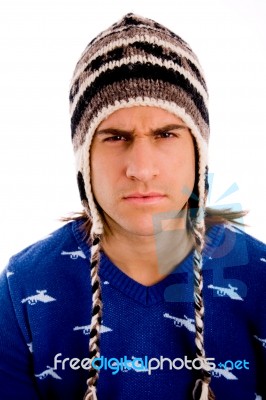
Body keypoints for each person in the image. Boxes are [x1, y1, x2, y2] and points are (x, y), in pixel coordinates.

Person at [0, 13, 265, 400]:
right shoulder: (21, 289)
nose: (141, 168)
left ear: (199, 153)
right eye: (115, 136)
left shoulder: (259, 280)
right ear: (84, 159)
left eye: (165, 134)